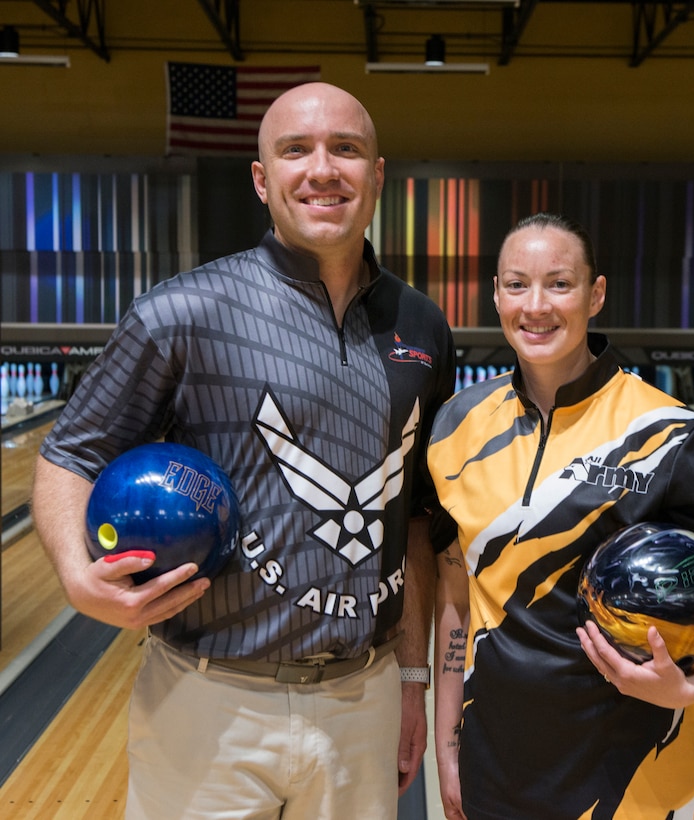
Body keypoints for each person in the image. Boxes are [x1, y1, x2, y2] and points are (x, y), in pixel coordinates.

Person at [32, 82, 455, 819]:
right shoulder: (183, 312)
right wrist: (77, 575)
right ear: (263, 180)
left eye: (345, 150)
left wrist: (413, 680)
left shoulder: (421, 323)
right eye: (296, 150)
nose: (322, 169)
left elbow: (416, 518)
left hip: (366, 698)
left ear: (378, 175)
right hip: (207, 699)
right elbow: (70, 453)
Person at [427, 212, 694, 819]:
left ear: (595, 295)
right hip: (498, 767)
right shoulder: (455, 426)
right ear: (495, 295)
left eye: (560, 283)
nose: (536, 304)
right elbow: (455, 597)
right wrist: (448, 745)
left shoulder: (669, 435)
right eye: (516, 284)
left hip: (639, 780)